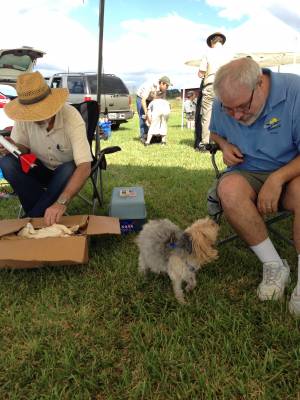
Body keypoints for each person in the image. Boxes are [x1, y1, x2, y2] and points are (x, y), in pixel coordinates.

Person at [208, 57, 300, 316]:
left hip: (292, 171)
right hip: (247, 171)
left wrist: (277, 178)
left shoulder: (295, 93)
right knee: (228, 190)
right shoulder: (224, 100)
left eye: (242, 107)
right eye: (229, 109)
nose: (236, 115)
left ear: (259, 84)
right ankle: (274, 265)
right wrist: (224, 146)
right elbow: (215, 131)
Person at [0, 71, 92, 226]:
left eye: (38, 112)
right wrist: (11, 147)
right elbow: (23, 149)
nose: (33, 118)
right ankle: (39, 217)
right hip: (38, 168)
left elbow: (84, 166)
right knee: (7, 163)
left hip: (65, 174)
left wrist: (61, 202)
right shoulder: (24, 118)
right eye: (30, 113)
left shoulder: (71, 117)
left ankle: (31, 220)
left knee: (69, 168)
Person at [197, 32, 231, 151]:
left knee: (207, 114)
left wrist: (203, 74)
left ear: (212, 42)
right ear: (222, 41)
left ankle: (205, 143)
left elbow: (201, 73)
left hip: (211, 85)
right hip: (225, 85)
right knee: (224, 114)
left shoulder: (207, 53)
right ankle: (222, 141)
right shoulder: (229, 54)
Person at [136, 76, 172, 142]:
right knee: (143, 117)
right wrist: (147, 113)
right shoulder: (150, 85)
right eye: (166, 86)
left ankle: (153, 135)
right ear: (161, 83)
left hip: (151, 99)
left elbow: (162, 101)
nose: (167, 88)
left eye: (168, 86)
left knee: (154, 117)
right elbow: (143, 100)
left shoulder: (163, 90)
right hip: (141, 98)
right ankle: (143, 136)